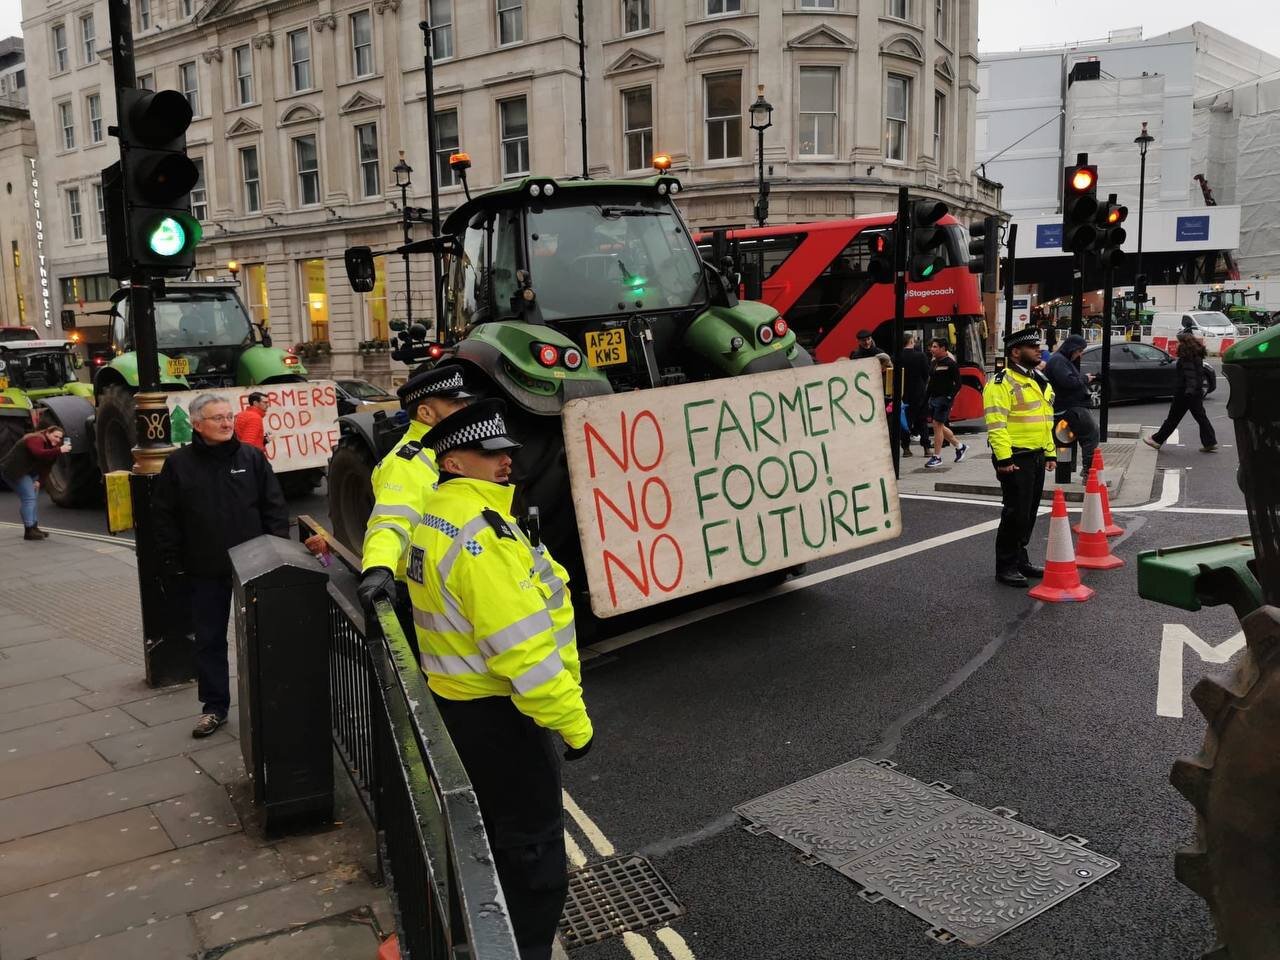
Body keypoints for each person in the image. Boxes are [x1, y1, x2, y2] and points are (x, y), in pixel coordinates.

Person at [405, 398, 592, 960]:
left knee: (484, 849)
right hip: (502, 720)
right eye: (489, 454)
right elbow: (524, 651)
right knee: (534, 867)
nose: (504, 461)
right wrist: (574, 725)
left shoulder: (438, 516)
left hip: (458, 707)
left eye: (506, 451)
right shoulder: (480, 537)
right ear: (453, 462)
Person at [151, 394, 289, 737]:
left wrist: (279, 553)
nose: (228, 423)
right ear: (198, 424)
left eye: (229, 417)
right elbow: (165, 518)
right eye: (218, 418)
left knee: (262, 638)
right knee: (209, 641)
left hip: (255, 565)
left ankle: (269, 703)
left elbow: (274, 508)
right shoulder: (179, 464)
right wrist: (173, 562)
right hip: (204, 569)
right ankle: (214, 708)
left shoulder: (252, 458)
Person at [356, 365, 474, 658]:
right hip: (418, 593)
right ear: (425, 413)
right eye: (456, 403)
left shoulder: (445, 450)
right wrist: (378, 568)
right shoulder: (407, 462)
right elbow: (390, 520)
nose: (465, 408)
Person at [984, 327, 1057, 587]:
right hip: (1015, 456)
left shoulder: (1039, 380)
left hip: (1035, 455)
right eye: (1032, 346)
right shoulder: (1001, 383)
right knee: (1015, 512)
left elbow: (1046, 420)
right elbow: (996, 424)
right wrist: (1004, 460)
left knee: (1029, 512)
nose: (1039, 349)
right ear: (1016, 352)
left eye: (1038, 345)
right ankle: (1005, 566)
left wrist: (1050, 451)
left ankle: (1020, 559)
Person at [1145, 332, 1218, 453]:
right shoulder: (1196, 355)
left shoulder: (1187, 356)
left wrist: (1189, 391)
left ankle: (1157, 440)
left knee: (1173, 418)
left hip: (1185, 393)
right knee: (1201, 417)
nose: (1176, 344)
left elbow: (1190, 376)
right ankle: (1210, 442)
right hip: (1195, 392)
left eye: (1178, 341)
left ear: (1184, 343)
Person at [1, 425, 70, 540]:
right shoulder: (35, 439)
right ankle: (29, 531)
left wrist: (39, 481)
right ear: (48, 433)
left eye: (60, 438)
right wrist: (59, 450)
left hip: (30, 473)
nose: (57, 440)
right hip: (15, 471)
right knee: (29, 499)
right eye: (55, 436)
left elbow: (47, 467)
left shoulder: (54, 447)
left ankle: (34, 528)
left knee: (32, 499)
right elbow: (38, 453)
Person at [1043, 334, 1099, 474]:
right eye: (1079, 351)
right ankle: (1088, 472)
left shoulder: (1061, 360)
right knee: (1091, 433)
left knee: (1088, 434)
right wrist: (1085, 379)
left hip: (1069, 405)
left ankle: (1087, 470)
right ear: (1071, 348)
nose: (1079, 355)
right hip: (1068, 407)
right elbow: (1069, 382)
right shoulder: (1059, 361)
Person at [924, 338, 968, 468]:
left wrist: (949, 397)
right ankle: (960, 446)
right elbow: (931, 383)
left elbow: (958, 384)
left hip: (944, 399)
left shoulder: (951, 364)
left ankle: (937, 457)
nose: (932, 349)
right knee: (939, 425)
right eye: (932, 346)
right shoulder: (933, 363)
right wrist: (925, 399)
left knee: (937, 425)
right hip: (934, 399)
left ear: (943, 348)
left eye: (935, 347)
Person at [898, 333, 930, 457]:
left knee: (905, 422)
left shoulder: (897, 357)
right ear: (911, 341)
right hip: (919, 393)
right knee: (922, 421)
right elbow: (926, 374)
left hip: (903, 394)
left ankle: (906, 448)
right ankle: (926, 448)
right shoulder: (920, 356)